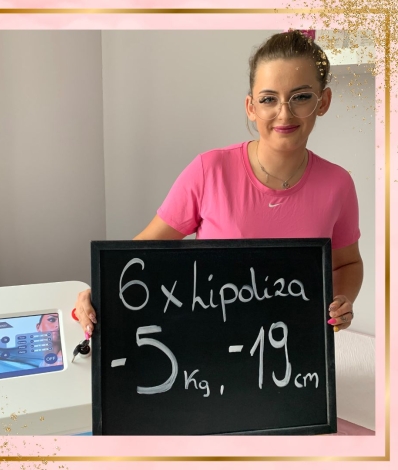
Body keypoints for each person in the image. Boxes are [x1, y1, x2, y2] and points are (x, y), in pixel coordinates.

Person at [74, 30, 363, 337]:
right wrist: (98, 292)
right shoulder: (209, 171)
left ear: (323, 101)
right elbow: (142, 252)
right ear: (251, 107)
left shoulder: (338, 184)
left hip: (295, 353)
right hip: (211, 352)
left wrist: (341, 302)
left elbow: (347, 264)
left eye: (301, 97)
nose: (284, 113)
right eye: (268, 99)